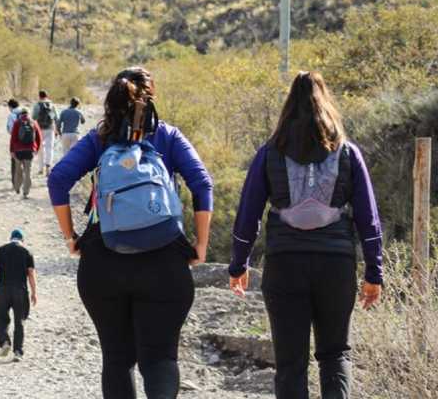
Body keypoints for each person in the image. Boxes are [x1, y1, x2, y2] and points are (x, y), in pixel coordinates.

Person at [47, 67, 214, 399]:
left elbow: (58, 180)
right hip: (165, 260)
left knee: (117, 358)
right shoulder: (168, 137)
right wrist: (201, 245)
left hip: (103, 261)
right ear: (151, 98)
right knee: (160, 356)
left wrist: (71, 238)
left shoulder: (99, 139)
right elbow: (202, 184)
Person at [228, 71, 384, 399]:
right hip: (336, 265)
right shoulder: (347, 153)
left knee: (290, 363)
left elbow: (248, 215)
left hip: (285, 264)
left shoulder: (270, 153)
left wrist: (238, 264)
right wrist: (374, 272)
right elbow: (368, 219)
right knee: (335, 354)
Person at [0, 229, 37, 362]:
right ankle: (17, 352)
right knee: (19, 322)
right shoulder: (27, 252)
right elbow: (31, 274)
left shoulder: (1, 250)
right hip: (20, 291)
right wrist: (34, 292)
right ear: (22, 240)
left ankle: (4, 342)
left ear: (10, 238)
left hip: (3, 290)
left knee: (2, 319)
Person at [9, 108, 43, 199]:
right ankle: (26, 192)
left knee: (18, 169)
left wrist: (11, 150)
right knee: (28, 171)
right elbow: (39, 138)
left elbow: (13, 138)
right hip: (30, 150)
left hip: (18, 150)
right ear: (29, 114)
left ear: (20, 114)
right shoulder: (34, 122)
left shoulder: (17, 123)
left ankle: (17, 187)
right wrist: (36, 149)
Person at [32, 90, 59, 176]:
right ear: (47, 96)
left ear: (39, 96)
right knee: (49, 148)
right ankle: (48, 167)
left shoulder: (37, 105)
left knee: (40, 148)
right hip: (50, 129)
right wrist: (57, 130)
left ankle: (41, 169)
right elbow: (56, 118)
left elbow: (33, 117)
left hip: (39, 129)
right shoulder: (51, 105)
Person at [6, 99, 28, 190]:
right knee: (26, 161)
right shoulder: (26, 112)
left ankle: (15, 183)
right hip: (27, 141)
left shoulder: (12, 115)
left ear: (10, 106)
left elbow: (10, 129)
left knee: (15, 162)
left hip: (16, 141)